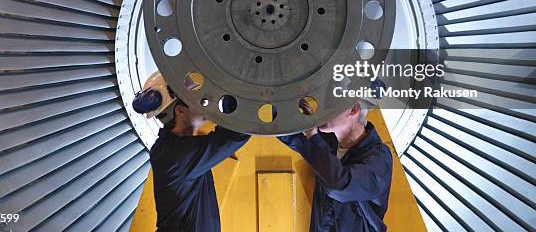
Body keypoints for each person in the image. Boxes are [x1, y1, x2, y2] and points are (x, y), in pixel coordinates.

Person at [133, 72, 250, 232]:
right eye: (195, 99)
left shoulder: (167, 148)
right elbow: (235, 136)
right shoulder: (178, 155)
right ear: (180, 111)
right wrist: (234, 86)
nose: (203, 103)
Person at [278, 100, 392, 232]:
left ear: (353, 109)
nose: (322, 111)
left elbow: (339, 186)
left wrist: (313, 136)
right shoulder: (328, 144)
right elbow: (289, 136)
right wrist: (283, 99)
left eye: (330, 105)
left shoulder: (379, 159)